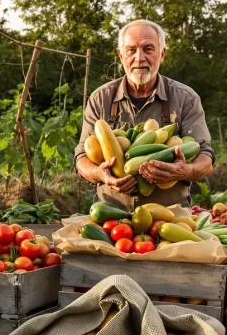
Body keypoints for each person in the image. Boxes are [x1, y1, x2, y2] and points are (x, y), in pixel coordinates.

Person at [74, 19, 215, 209]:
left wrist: (183, 171)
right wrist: (101, 174)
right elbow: (82, 157)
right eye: (131, 50)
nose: (139, 58)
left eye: (148, 49)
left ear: (162, 54)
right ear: (120, 55)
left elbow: (205, 158)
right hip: (112, 219)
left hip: (171, 218)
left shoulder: (186, 98)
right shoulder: (101, 98)